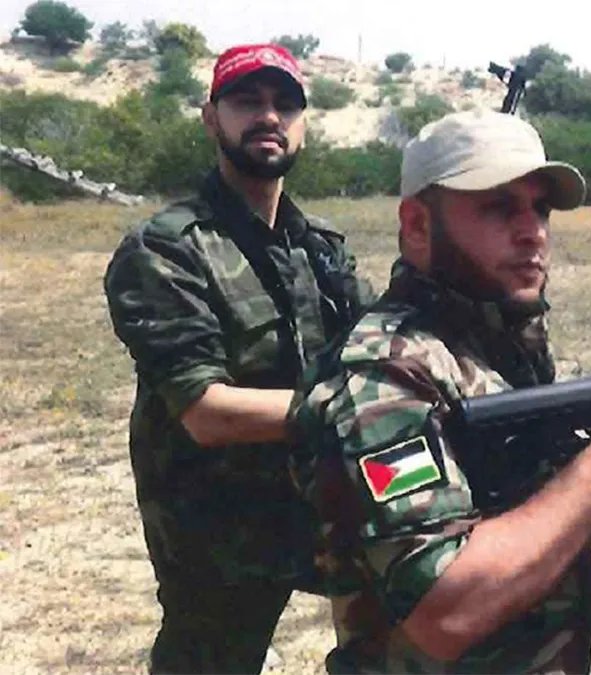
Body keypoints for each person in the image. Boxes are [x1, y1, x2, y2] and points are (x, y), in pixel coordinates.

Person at [286, 108, 591, 673]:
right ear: (418, 225)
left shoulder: (498, 343)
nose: (533, 231)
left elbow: (522, 507)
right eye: (498, 208)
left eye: (540, 209)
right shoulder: (380, 375)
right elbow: (442, 613)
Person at [103, 43, 375, 673]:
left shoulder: (321, 248)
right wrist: (370, 409)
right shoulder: (167, 250)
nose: (268, 116)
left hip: (322, 500)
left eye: (285, 103)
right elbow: (205, 411)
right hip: (216, 527)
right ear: (211, 118)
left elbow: (371, 348)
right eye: (247, 101)